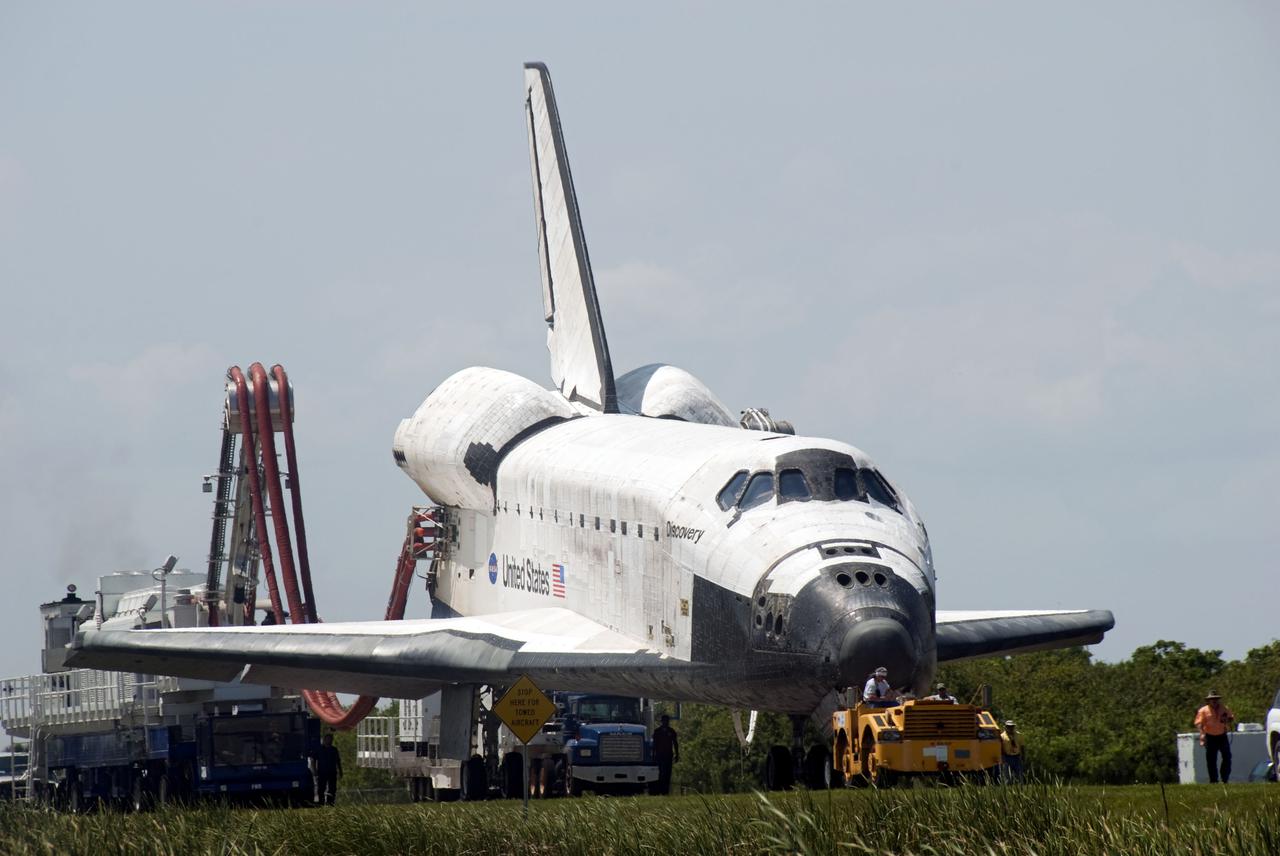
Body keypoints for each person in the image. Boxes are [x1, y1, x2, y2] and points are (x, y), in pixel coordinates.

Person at [1195, 690, 1235, 783]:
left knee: (1227, 757)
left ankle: (1225, 778)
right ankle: (1213, 780)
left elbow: (1231, 717)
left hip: (1222, 735)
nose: (1214, 701)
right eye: (1212, 699)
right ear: (1208, 701)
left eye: (1216, 699)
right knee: (1211, 759)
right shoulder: (1203, 711)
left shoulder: (1224, 708)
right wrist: (1202, 734)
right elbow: (1199, 723)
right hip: (1210, 736)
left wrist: (1227, 720)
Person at [310, 732, 343, 805]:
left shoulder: (334, 750)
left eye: (331, 739)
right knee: (321, 788)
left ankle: (330, 802)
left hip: (332, 772)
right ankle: (321, 802)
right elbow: (313, 759)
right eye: (328, 739)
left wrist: (340, 771)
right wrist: (314, 770)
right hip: (322, 772)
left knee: (332, 788)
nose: (329, 741)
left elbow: (338, 761)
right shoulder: (319, 749)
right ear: (324, 740)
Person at [651, 714, 679, 795]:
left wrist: (677, 754)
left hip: (668, 755)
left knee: (668, 773)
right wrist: (653, 755)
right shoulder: (657, 732)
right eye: (664, 721)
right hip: (660, 755)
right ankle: (660, 790)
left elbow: (675, 743)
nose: (665, 722)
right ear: (662, 721)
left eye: (667, 721)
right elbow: (654, 745)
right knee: (661, 773)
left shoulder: (671, 731)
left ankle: (666, 791)